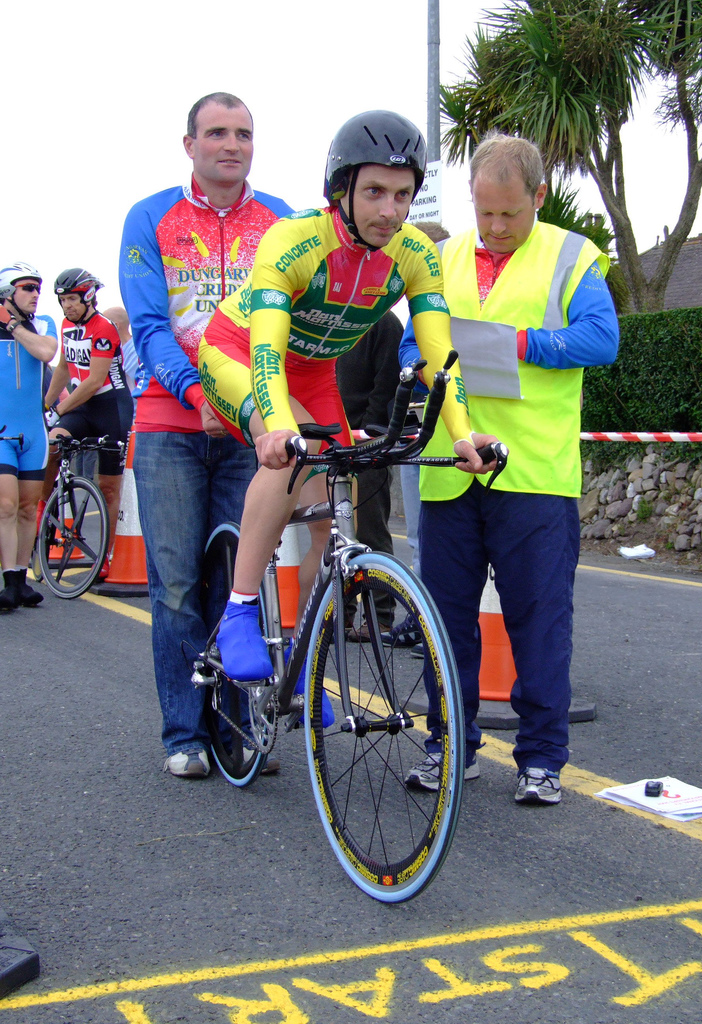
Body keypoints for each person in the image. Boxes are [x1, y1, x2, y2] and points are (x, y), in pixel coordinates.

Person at [196, 109, 498, 691]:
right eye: (375, 192)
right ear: (342, 190)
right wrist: (277, 428)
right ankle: (238, 611)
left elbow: (440, 355)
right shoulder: (293, 241)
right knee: (291, 459)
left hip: (312, 373)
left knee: (336, 518)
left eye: (404, 194)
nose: (391, 210)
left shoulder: (415, 255)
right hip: (240, 353)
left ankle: (304, 664)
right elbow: (265, 350)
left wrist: (463, 434)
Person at [402, 133, 620, 804]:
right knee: (446, 621)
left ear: (539, 198)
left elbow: (601, 338)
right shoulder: (438, 258)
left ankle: (542, 759)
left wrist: (516, 344)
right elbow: (414, 338)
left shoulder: (573, 255)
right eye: (483, 212)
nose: (494, 229)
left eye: (509, 214)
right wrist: (419, 365)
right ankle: (452, 747)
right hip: (450, 465)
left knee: (539, 621)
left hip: (534, 473)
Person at [119, 91, 292, 779]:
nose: (231, 144)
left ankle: (235, 728)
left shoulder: (281, 220)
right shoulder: (150, 216)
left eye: (244, 134)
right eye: (216, 132)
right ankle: (184, 732)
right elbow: (151, 326)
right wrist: (201, 392)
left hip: (250, 426)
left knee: (236, 581)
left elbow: (298, 328)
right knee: (177, 586)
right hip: (172, 423)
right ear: (188, 144)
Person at [41, 270, 133, 575]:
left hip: (111, 407)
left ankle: (104, 557)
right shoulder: (67, 325)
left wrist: (60, 407)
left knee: (108, 488)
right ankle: (43, 509)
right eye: (63, 300)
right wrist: (45, 404)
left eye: (71, 299)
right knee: (53, 442)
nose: (67, 306)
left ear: (88, 296)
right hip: (82, 406)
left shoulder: (104, 328)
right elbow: (64, 368)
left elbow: (94, 381)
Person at [336, 310, 403, 637]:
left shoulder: (385, 324)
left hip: (368, 443)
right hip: (333, 439)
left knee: (371, 532)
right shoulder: (329, 319)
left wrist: (370, 434)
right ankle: (342, 615)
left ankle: (380, 619)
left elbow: (387, 385)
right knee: (337, 534)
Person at [0, 263, 57, 610]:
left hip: (34, 433)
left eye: (38, 288)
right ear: (8, 292)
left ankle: (20, 580)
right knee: (5, 505)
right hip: (2, 432)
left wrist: (13, 325)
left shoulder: (42, 323)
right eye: (27, 288)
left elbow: (47, 352)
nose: (36, 294)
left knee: (26, 508)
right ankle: (8, 580)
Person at [398, 220, 450, 576]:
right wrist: (417, 370)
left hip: (455, 434)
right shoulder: (416, 307)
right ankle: (420, 621)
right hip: (415, 431)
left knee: (444, 539)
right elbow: (407, 351)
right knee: (419, 537)